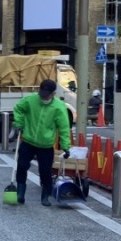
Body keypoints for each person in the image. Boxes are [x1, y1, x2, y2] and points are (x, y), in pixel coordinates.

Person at [13, 78, 71, 206]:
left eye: (46, 95)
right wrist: (19, 123)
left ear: (53, 94)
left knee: (45, 171)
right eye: (42, 94)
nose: (43, 97)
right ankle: (20, 193)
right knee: (22, 166)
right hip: (28, 141)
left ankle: (45, 196)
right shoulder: (31, 100)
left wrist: (66, 146)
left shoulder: (58, 107)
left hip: (46, 145)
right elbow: (18, 109)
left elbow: (64, 128)